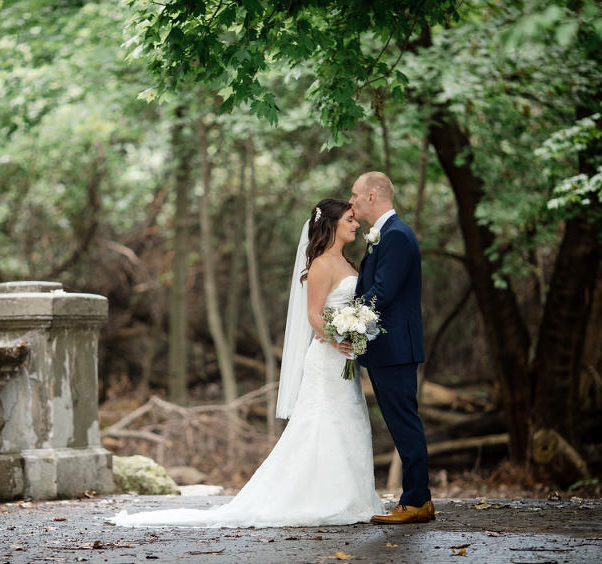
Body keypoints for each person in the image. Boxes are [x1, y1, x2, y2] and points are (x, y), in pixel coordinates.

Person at [111, 199, 384, 527]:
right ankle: (326, 497)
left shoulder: (348, 261)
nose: (356, 225)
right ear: (332, 225)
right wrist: (338, 335)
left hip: (344, 359)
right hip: (328, 359)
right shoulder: (323, 264)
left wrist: (357, 329)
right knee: (325, 425)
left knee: (349, 422)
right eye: (350, 220)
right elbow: (313, 315)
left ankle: (353, 496)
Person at [346, 171, 434, 524]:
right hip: (388, 348)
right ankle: (418, 500)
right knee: (401, 423)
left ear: (372, 196)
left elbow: (381, 292)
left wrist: (347, 320)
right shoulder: (383, 236)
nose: (350, 201)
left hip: (396, 347)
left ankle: (415, 500)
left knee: (404, 423)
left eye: (354, 194)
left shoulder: (396, 235)